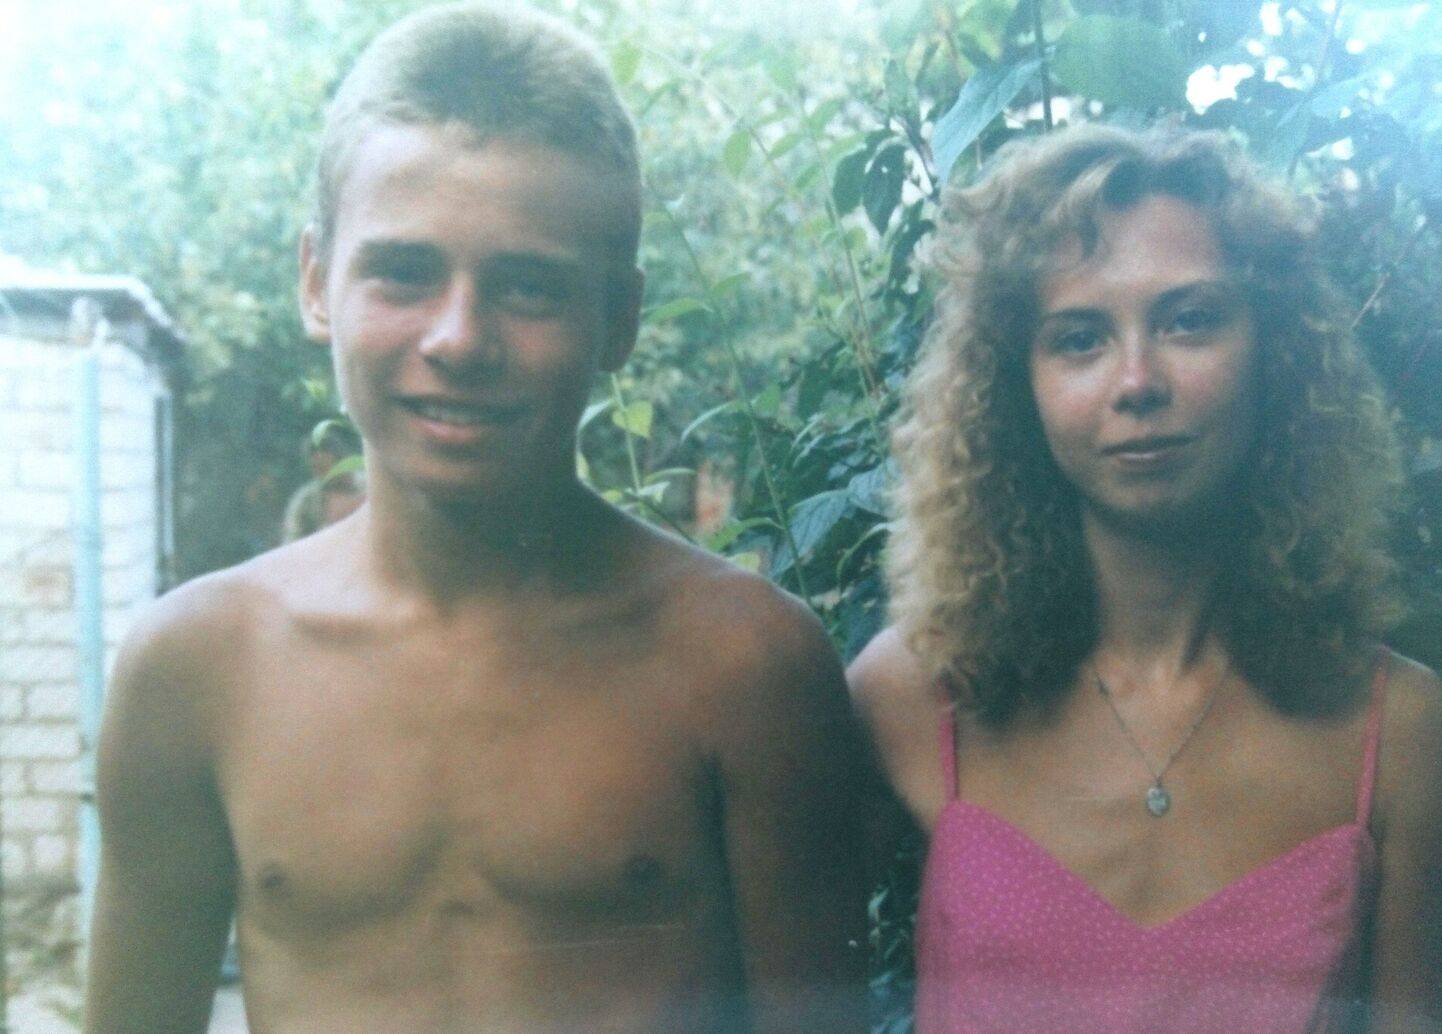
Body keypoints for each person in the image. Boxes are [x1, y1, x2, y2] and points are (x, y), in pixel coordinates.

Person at [85, 5, 866, 1031]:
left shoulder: (743, 666)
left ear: (619, 318)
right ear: (317, 281)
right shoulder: (196, 669)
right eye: (404, 273)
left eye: (529, 286)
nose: (458, 339)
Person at [851, 125, 1442, 1032]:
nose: (1137, 381)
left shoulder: (1396, 729)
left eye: (1188, 321)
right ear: (1013, 385)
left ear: (1277, 350)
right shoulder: (909, 697)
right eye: (1079, 339)